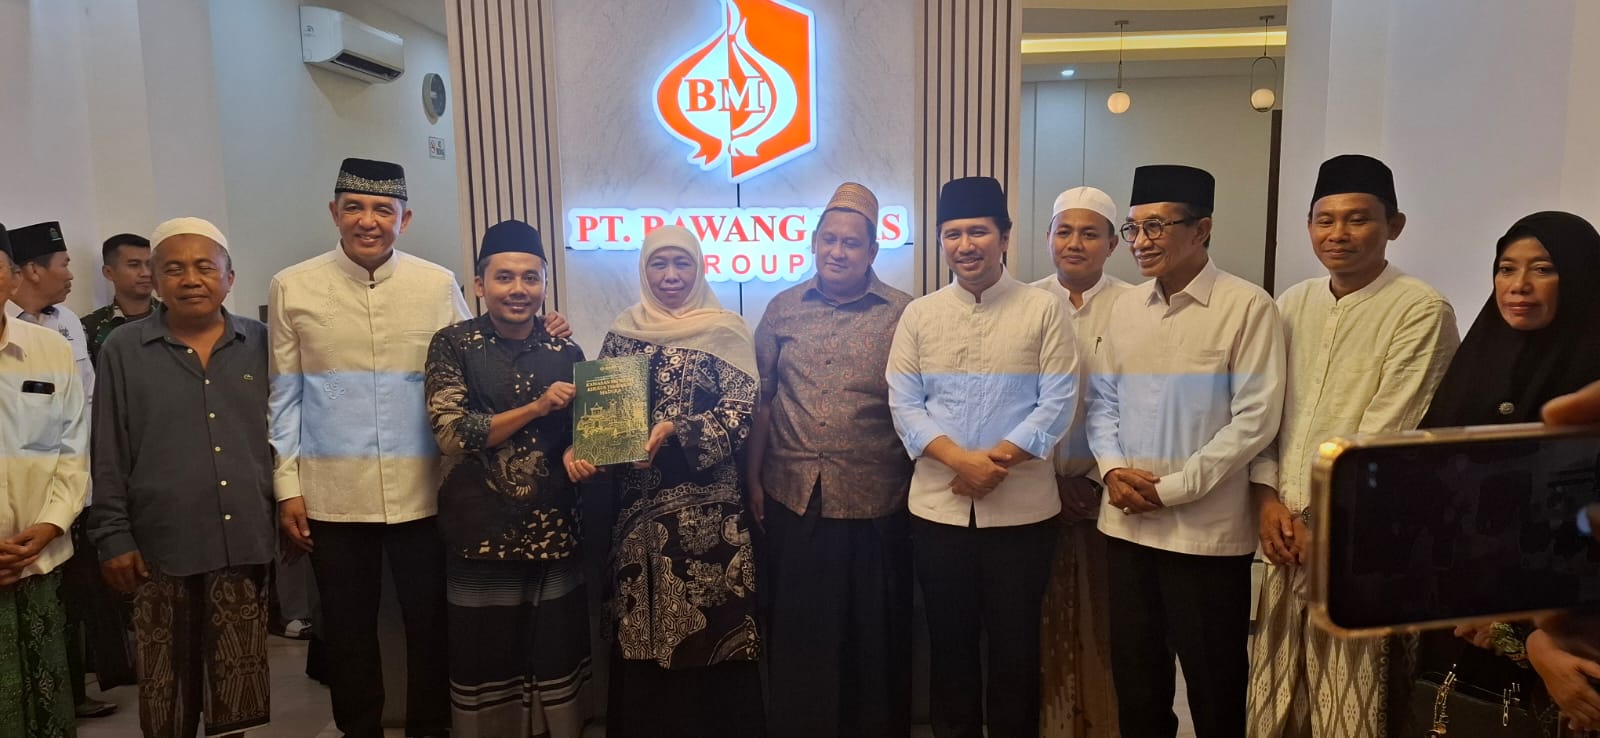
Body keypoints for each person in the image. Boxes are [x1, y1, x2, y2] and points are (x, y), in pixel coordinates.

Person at [271, 158, 571, 738]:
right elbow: (284, 397)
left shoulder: (435, 284)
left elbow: (480, 357)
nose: (369, 221)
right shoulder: (293, 286)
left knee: (431, 626)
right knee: (348, 630)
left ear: (404, 220)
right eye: (355, 208)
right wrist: (287, 487)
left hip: (426, 493)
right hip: (334, 493)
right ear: (334, 212)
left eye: (383, 210)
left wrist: (544, 328)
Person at [1244, 155, 1460, 738]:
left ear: (1395, 225)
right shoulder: (1291, 303)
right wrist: (1266, 500)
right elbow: (1264, 414)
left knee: (1350, 710)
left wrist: (1317, 521)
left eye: (1358, 219)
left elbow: (1387, 435)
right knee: (1274, 703)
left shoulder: (1420, 309)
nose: (1338, 233)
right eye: (1325, 219)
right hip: (1282, 535)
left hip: (1360, 540)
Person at [1087, 164, 1285, 738]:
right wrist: (1112, 471)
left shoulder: (1247, 306)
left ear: (1202, 229)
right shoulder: (1124, 306)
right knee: (1138, 683)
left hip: (1205, 534)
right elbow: (1102, 401)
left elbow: (1255, 419)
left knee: (1215, 685)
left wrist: (1173, 490)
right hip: (1126, 525)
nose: (1140, 242)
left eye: (1156, 226)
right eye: (1133, 228)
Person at [886, 175, 1077, 738]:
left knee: (1017, 650)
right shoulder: (920, 314)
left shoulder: (1044, 309)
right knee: (950, 649)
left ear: (1005, 238)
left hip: (1023, 515)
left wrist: (994, 464)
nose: (965, 245)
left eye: (978, 232)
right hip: (939, 512)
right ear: (940, 241)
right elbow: (904, 402)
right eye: (953, 234)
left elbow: (1058, 401)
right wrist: (960, 462)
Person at [564, 224, 763, 738]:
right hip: (638, 517)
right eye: (659, 263)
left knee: (712, 628)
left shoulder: (727, 330)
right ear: (644, 269)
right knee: (643, 625)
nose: (670, 275)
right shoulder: (623, 332)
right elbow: (604, 416)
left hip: (711, 522)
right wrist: (592, 447)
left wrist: (677, 430)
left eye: (681, 263)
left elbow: (742, 413)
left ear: (699, 268)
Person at [89, 218, 276, 738]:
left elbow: (285, 434)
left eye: (204, 267)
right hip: (158, 546)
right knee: (165, 695)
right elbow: (107, 448)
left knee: (236, 691)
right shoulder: (123, 349)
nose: (190, 279)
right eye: (174, 269)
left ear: (229, 278)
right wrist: (112, 536)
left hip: (243, 541)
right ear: (154, 278)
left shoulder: (261, 343)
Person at [1420, 211, 1600, 733]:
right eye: (1506, 268)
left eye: (1543, 268)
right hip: (1457, 633)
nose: (1519, 285)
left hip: (1566, 654)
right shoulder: (1475, 367)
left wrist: (1523, 632)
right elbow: (1430, 492)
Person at [750, 182, 916, 738]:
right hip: (795, 498)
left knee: (874, 641)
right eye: (829, 240)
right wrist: (753, 479)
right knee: (802, 637)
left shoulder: (904, 314)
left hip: (877, 502)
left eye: (851, 242)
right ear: (814, 243)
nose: (837, 252)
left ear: (873, 251)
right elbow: (765, 399)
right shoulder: (782, 309)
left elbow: (918, 404)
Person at [424, 220, 592, 737]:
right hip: (480, 531)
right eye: (504, 277)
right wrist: (536, 407)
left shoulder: (567, 352)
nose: (518, 289)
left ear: (545, 284)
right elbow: (451, 432)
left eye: (530, 277)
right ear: (480, 285)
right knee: (486, 654)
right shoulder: (454, 344)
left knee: (555, 650)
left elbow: (582, 431)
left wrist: (579, 451)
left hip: (555, 527)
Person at [3, 220, 118, 719]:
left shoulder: (54, 340)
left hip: (46, 543)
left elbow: (75, 437)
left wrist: (53, 521)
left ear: (13, 275)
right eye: (63, 263)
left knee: (48, 698)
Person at [1029, 185, 1131, 738]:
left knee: (1108, 625)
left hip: (1109, 497)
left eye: (1090, 233)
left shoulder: (1137, 307)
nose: (1075, 243)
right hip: (1032, 491)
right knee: (1037, 624)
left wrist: (1094, 480)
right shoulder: (1023, 303)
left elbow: (1138, 406)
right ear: (1047, 237)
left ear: (1112, 244)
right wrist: (1048, 478)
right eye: (1064, 231)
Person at [82, 233, 158, 365]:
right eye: (134, 265)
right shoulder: (89, 328)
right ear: (109, 272)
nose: (146, 273)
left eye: (150, 265)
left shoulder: (174, 318)